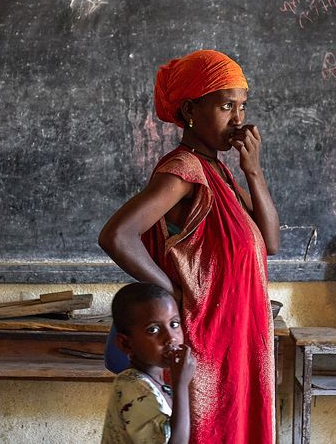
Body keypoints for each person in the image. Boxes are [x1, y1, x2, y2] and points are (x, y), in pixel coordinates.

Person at [99, 49, 280, 444]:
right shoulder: (183, 171)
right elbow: (117, 235)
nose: (238, 119)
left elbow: (270, 242)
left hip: (239, 340)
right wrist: (173, 291)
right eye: (225, 105)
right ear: (190, 110)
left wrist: (254, 171)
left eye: (242, 106)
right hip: (208, 343)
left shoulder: (220, 173)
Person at [102, 282, 195, 444]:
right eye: (153, 330)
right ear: (126, 344)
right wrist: (181, 385)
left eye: (174, 324)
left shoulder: (156, 382)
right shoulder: (131, 387)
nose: (170, 338)